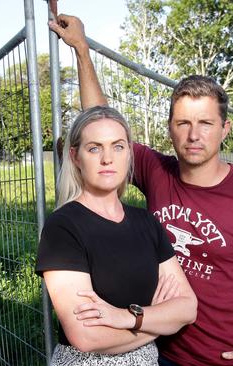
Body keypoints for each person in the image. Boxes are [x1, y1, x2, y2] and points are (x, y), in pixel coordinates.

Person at [49, 14, 233, 366]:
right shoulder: (156, 171)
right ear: (170, 128)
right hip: (160, 352)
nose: (194, 135)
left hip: (225, 358)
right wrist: (82, 52)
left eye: (206, 123)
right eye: (184, 123)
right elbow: (101, 127)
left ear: (225, 129)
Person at [35, 106, 197, 365]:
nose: (107, 158)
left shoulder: (147, 222)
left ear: (129, 154)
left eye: (118, 146)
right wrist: (160, 320)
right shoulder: (63, 227)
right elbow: (86, 336)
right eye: (94, 148)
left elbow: (188, 308)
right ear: (76, 157)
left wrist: (127, 317)